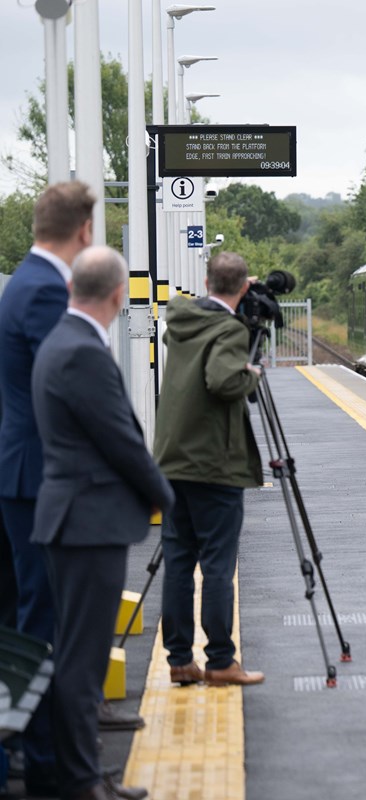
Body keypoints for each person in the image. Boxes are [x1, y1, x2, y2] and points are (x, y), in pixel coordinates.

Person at [31, 246, 173, 800]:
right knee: (82, 660)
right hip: (88, 522)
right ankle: (81, 781)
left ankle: (77, 774)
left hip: (71, 517)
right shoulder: (83, 351)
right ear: (119, 294)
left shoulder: (60, 341)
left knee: (74, 653)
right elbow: (122, 441)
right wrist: (167, 499)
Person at [0, 180, 94, 796]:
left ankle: (43, 754)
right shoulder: (41, 292)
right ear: (85, 232)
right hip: (37, 478)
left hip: (24, 472)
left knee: (30, 615)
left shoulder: (19, 283)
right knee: (42, 620)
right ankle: (46, 764)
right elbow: (58, 387)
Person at [154, 251, 266, 687]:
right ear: (242, 289)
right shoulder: (228, 329)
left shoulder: (183, 323)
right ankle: (221, 661)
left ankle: (180, 659)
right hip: (213, 466)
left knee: (179, 562)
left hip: (172, 460)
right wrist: (252, 373)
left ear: (205, 282)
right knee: (218, 565)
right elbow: (223, 381)